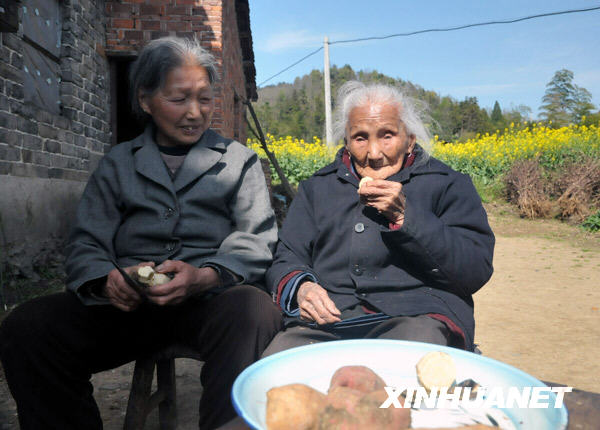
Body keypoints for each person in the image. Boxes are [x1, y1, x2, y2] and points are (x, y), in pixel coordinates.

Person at [0, 37, 282, 430]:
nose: (195, 113)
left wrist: (205, 276)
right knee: (27, 327)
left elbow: (257, 238)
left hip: (209, 305)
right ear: (145, 100)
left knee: (254, 310)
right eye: (179, 99)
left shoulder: (238, 161)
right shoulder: (119, 163)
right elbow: (86, 241)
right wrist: (106, 280)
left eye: (204, 98)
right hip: (127, 310)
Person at [263, 81, 494, 356]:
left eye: (387, 135)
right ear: (346, 143)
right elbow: (288, 255)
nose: (374, 154)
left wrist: (405, 216)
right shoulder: (317, 188)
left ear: (409, 140)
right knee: (278, 367)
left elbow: (474, 269)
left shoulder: (447, 185)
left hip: (418, 320)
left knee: (408, 366)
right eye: (360, 137)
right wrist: (301, 286)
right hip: (328, 324)